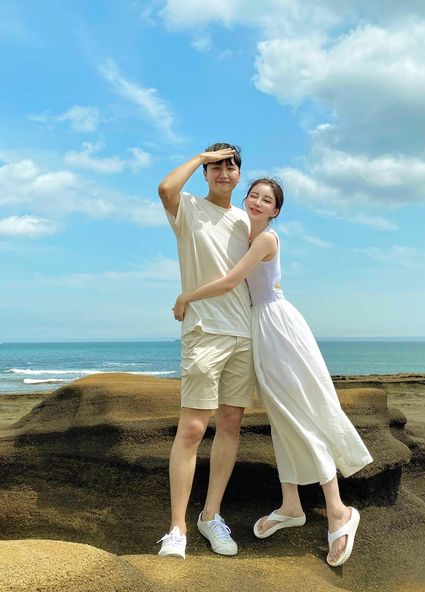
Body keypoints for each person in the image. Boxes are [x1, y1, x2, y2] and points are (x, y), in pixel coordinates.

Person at [172, 177, 373, 567]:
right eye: (255, 196)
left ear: (276, 210)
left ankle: (339, 511)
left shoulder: (265, 240)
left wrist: (186, 297)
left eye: (268, 200)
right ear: (245, 199)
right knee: (281, 416)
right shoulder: (243, 235)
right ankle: (291, 505)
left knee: (300, 414)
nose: (259, 202)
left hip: (277, 327)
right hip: (257, 328)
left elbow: (232, 281)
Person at [156, 144, 256, 560]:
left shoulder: (246, 220)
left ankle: (210, 516)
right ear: (205, 172)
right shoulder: (189, 208)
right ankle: (177, 527)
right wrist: (201, 156)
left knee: (230, 424)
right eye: (217, 165)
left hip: (244, 332)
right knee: (194, 428)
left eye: (231, 165)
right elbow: (164, 188)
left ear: (238, 174)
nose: (224, 171)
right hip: (203, 330)